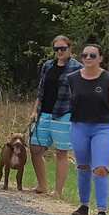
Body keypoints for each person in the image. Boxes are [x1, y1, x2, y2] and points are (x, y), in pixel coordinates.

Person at [66, 44, 109, 215]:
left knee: (100, 167)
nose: (88, 58)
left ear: (100, 58)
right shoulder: (72, 78)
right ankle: (84, 205)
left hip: (103, 127)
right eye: (85, 55)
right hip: (79, 125)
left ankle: (102, 210)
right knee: (83, 166)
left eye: (92, 55)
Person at [30, 35, 81, 197]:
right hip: (44, 112)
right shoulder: (47, 65)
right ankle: (42, 185)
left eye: (63, 48)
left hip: (63, 113)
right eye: (56, 49)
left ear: (70, 49)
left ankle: (58, 191)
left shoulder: (77, 68)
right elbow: (41, 90)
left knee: (61, 152)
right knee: (35, 147)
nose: (59, 51)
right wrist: (34, 110)